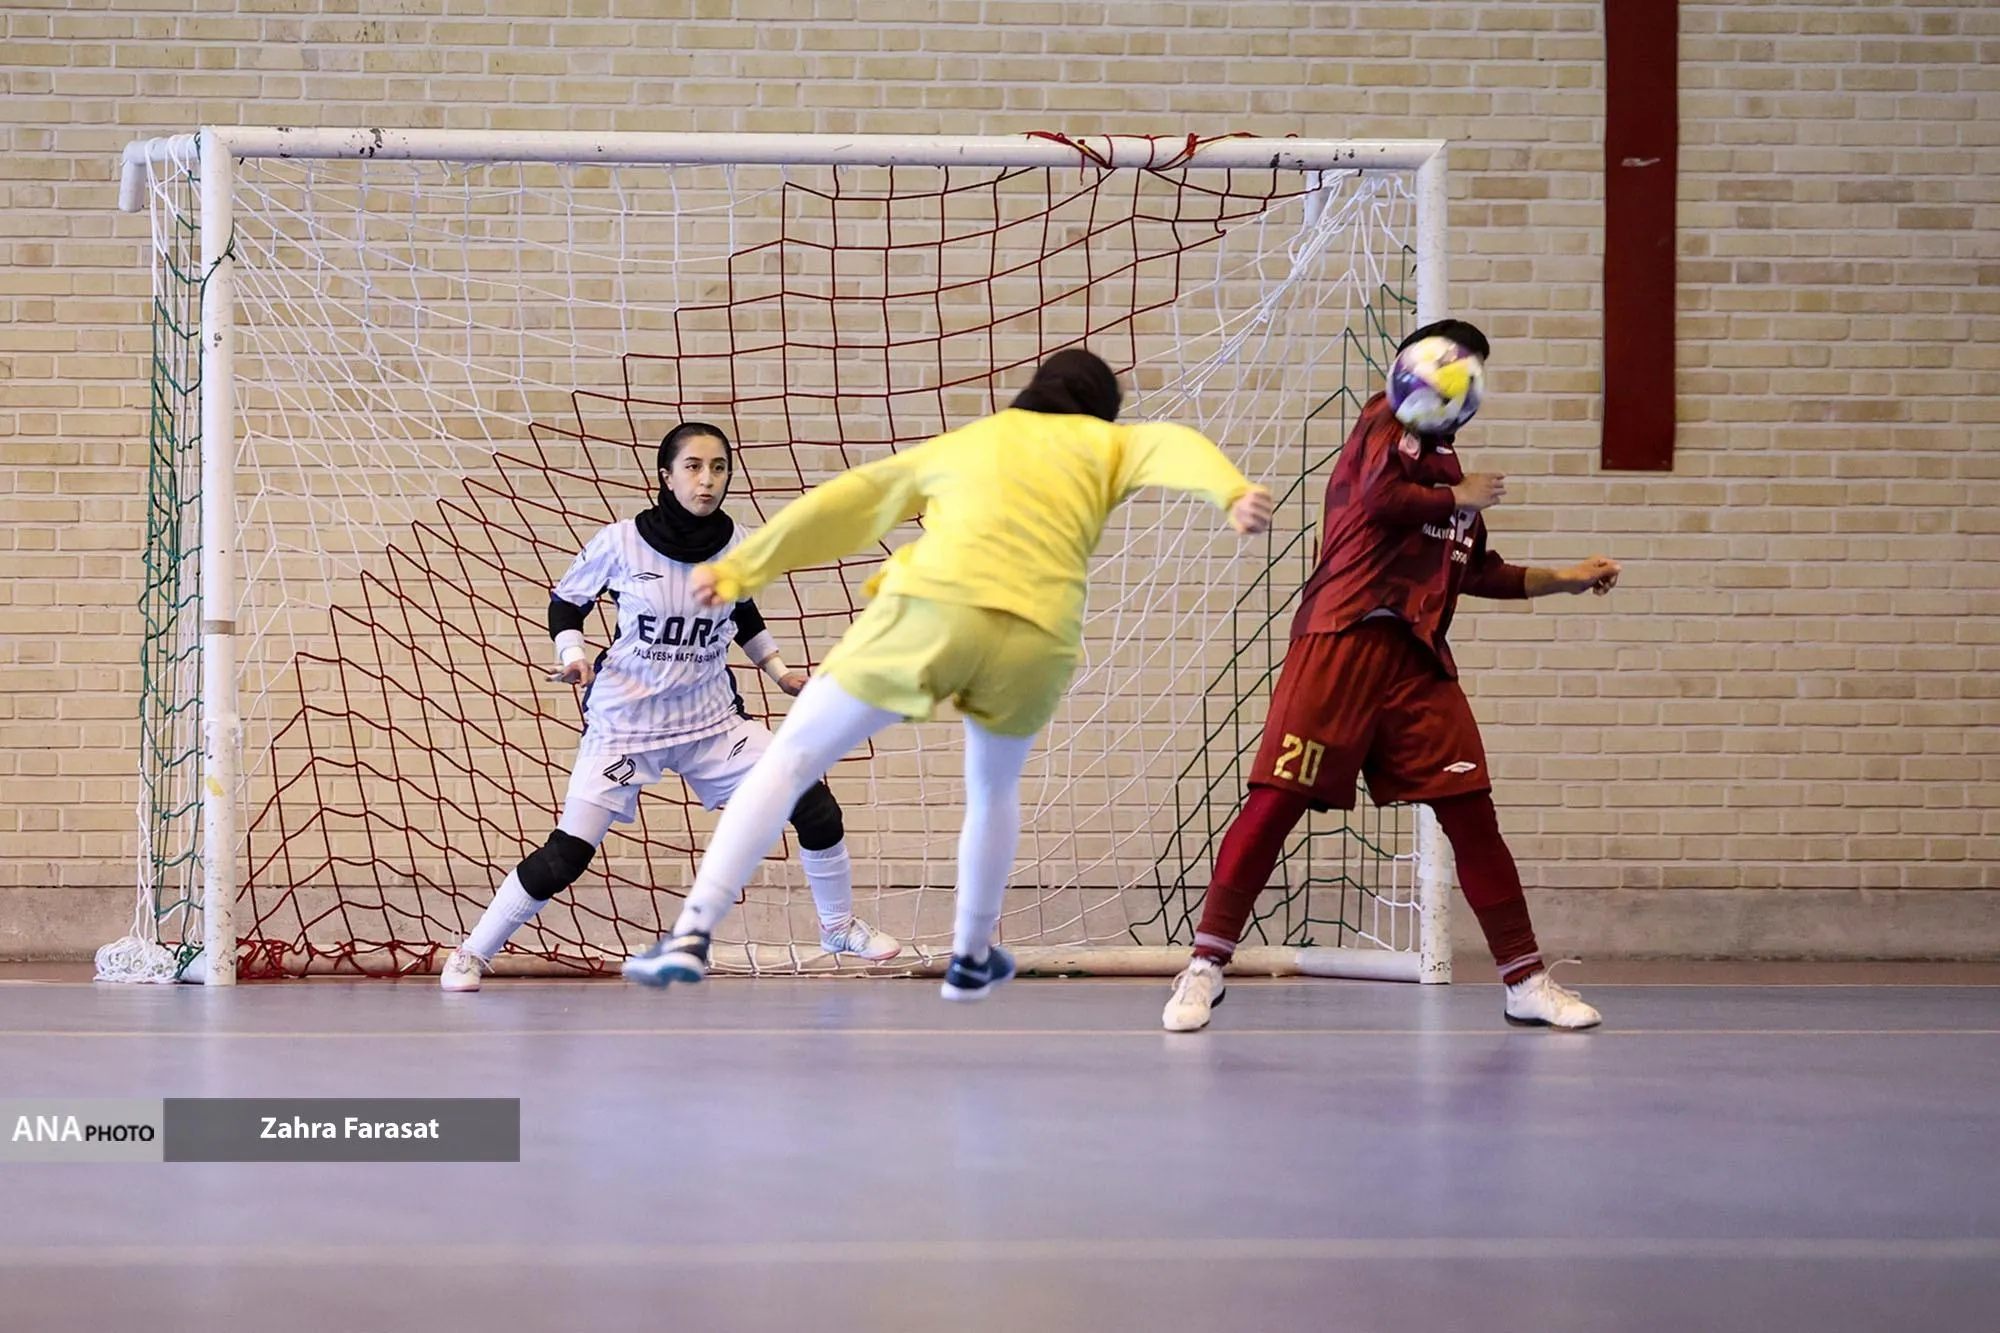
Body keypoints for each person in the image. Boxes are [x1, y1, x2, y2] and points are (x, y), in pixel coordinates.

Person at [621, 349, 1274, 1000]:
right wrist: (1232, 491)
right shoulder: (1112, 445)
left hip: (930, 615)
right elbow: (1175, 444)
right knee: (993, 789)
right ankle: (971, 954)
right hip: (1037, 638)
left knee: (789, 761)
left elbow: (851, 502)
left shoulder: (972, 441)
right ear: (1102, 410)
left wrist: (744, 568)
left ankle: (692, 932)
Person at [1159, 319, 1622, 1033]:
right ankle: (1205, 966)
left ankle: (1524, 981)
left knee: (1473, 814)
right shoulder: (1382, 424)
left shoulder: (1453, 482)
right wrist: (1460, 496)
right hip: (1339, 646)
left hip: (1415, 664)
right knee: (1275, 802)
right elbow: (1381, 500)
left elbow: (1477, 570)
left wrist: (1565, 577)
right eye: (1450, 366)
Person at [440, 422, 900, 990]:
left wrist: (779, 671)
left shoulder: (740, 545)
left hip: (709, 722)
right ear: (666, 475)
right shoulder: (620, 542)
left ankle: (838, 927)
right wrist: (573, 653)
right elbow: (566, 604)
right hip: (625, 724)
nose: (706, 479)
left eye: (718, 468)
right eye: (693, 466)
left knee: (813, 803)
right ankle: (472, 952)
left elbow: (741, 613)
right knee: (567, 854)